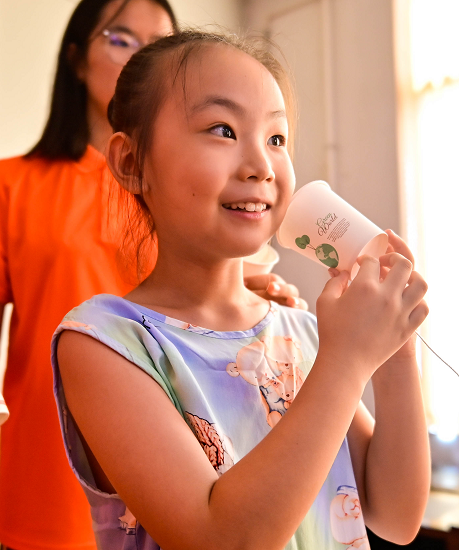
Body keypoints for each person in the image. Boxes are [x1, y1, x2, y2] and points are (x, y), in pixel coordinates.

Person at [0, 1, 304, 549]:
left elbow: (226, 301)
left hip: (188, 478)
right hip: (45, 487)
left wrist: (270, 301)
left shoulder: (197, 188)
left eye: (158, 41)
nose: (139, 54)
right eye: (120, 39)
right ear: (76, 58)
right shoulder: (9, 185)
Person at [51, 30, 431, 550]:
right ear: (132, 163)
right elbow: (220, 540)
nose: (262, 167)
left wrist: (393, 349)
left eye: (276, 139)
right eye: (223, 130)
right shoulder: (104, 342)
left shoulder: (303, 332)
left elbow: (396, 516)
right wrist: (347, 360)